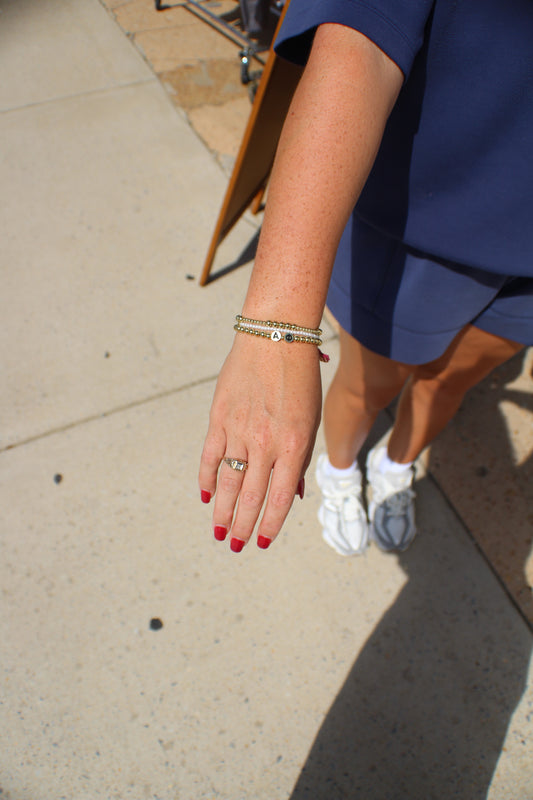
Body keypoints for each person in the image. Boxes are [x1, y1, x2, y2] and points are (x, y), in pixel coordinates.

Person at [198, 0, 533, 555]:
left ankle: (395, 463)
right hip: (429, 215)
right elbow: (359, 39)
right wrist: (275, 326)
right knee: (371, 383)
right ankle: (340, 467)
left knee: (451, 380)